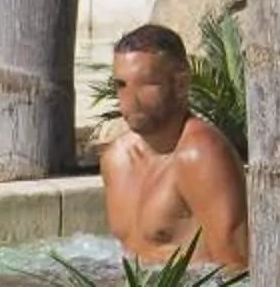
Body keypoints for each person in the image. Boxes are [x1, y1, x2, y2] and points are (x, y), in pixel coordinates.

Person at [99, 23, 248, 276]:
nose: (129, 100)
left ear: (180, 84)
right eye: (122, 84)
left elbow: (238, 268)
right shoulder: (116, 158)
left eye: (146, 84)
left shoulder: (201, 154)